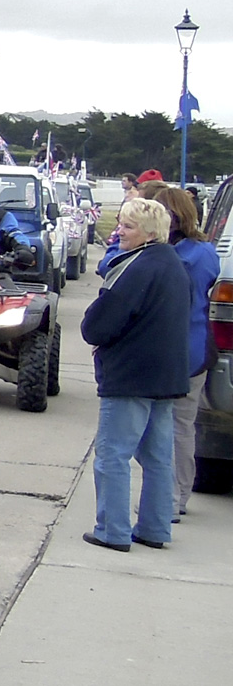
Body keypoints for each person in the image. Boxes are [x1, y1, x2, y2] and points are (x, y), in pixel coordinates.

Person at [79, 197, 191, 552]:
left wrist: (94, 335)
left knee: (113, 454)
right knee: (158, 457)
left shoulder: (134, 267)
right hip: (167, 374)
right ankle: (155, 529)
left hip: (130, 375)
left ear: (148, 233)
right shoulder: (174, 263)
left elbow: (100, 322)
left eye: (127, 226)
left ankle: (112, 530)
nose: (119, 231)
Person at [147, 186, 216, 518]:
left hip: (182, 349)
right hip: (192, 349)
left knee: (172, 427)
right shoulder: (204, 253)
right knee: (179, 427)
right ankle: (176, 496)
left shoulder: (166, 255)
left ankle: (172, 499)